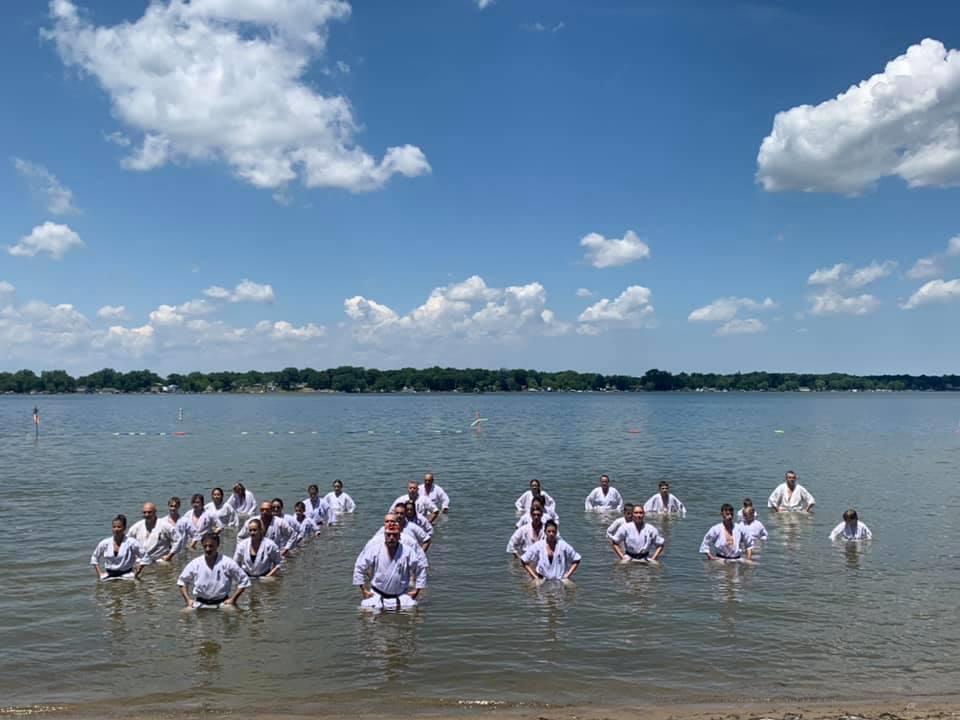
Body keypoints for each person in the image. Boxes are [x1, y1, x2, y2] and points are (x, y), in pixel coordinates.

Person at [353, 520, 427, 610]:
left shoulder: (408, 551)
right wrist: (363, 590)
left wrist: (417, 590)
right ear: (384, 536)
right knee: (365, 614)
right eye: (388, 535)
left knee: (414, 615)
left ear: (399, 536)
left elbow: (420, 569)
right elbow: (359, 567)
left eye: (395, 535)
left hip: (401, 596)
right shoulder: (375, 550)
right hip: (377, 595)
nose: (391, 537)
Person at [177, 532, 250, 608]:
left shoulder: (228, 563)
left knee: (237, 614)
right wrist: (188, 600)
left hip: (223, 604)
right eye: (205, 546)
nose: (208, 549)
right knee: (184, 615)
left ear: (217, 545)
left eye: (211, 546)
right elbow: (182, 581)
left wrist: (233, 599)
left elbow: (244, 580)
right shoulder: (195, 563)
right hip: (200, 603)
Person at [91, 514, 149, 580]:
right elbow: (94, 558)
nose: (116, 529)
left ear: (124, 528)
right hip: (109, 576)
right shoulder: (105, 543)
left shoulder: (132, 542)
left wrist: (138, 571)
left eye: (119, 527)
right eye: (114, 527)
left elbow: (145, 557)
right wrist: (100, 573)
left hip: (127, 576)